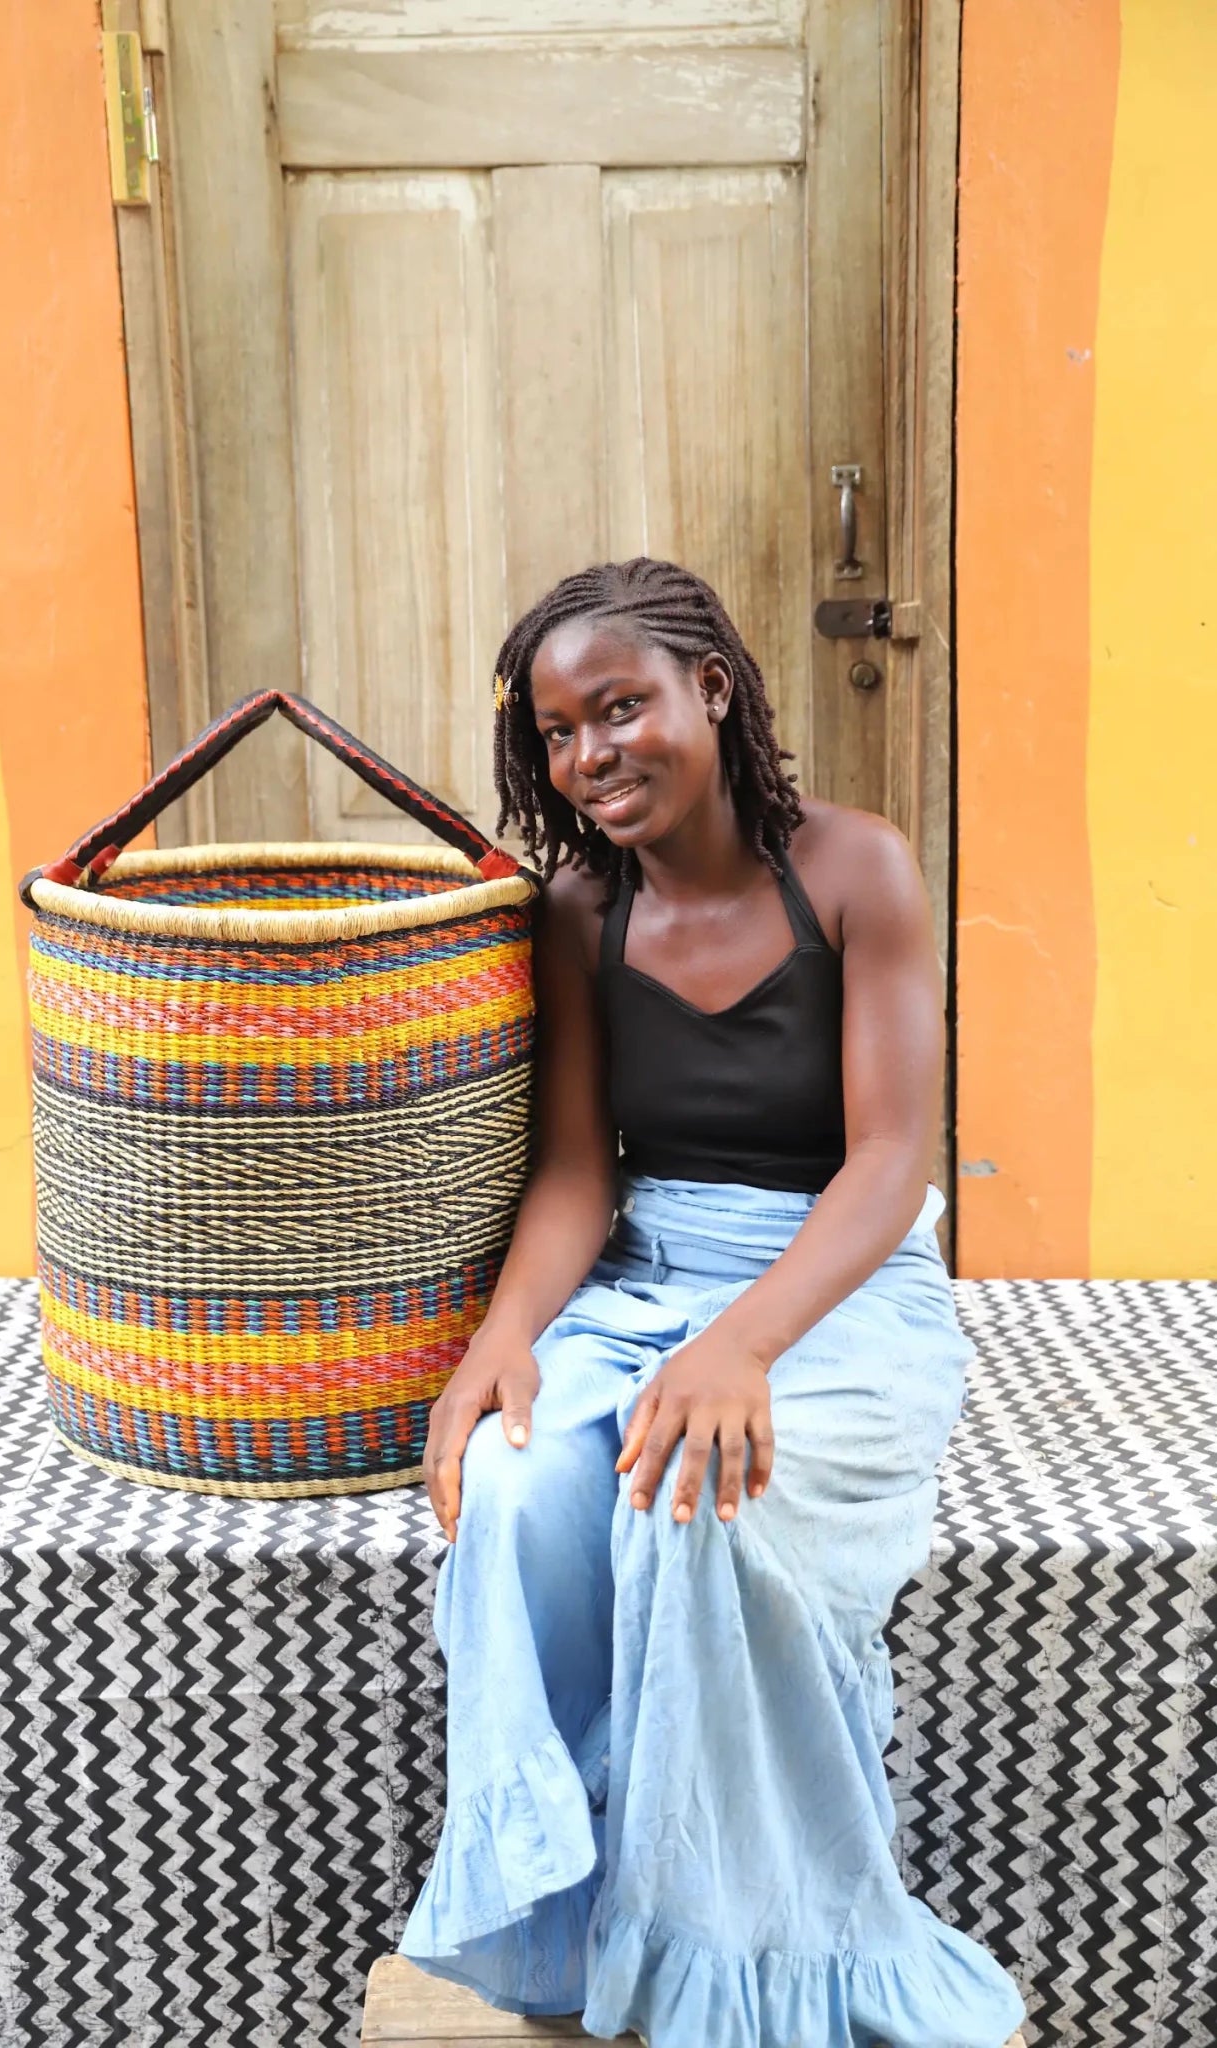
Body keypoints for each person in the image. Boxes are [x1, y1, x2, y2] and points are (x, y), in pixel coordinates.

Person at [397, 558, 1027, 2048]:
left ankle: (750, 1950)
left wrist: (739, 1344)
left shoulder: (855, 870)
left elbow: (886, 1164)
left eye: (621, 708)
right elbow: (574, 1177)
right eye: (557, 733)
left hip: (833, 1284)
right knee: (516, 1480)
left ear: (714, 691)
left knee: (694, 1504)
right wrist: (499, 1347)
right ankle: (576, 1923)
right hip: (643, 1278)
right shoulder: (575, 911)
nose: (589, 757)